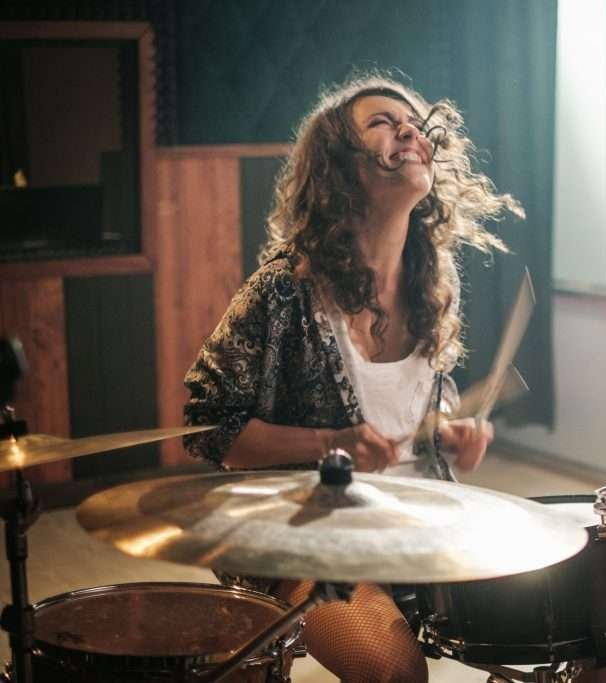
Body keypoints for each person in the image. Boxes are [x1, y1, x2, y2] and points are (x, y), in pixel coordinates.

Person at [182, 72, 523, 682]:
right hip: (309, 537)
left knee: (580, 624)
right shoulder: (285, 290)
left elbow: (416, 421)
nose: (409, 130)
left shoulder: (431, 290)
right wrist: (326, 444)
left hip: (416, 522)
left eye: (413, 122)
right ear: (340, 167)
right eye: (382, 123)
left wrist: (447, 434)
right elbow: (208, 424)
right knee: (391, 669)